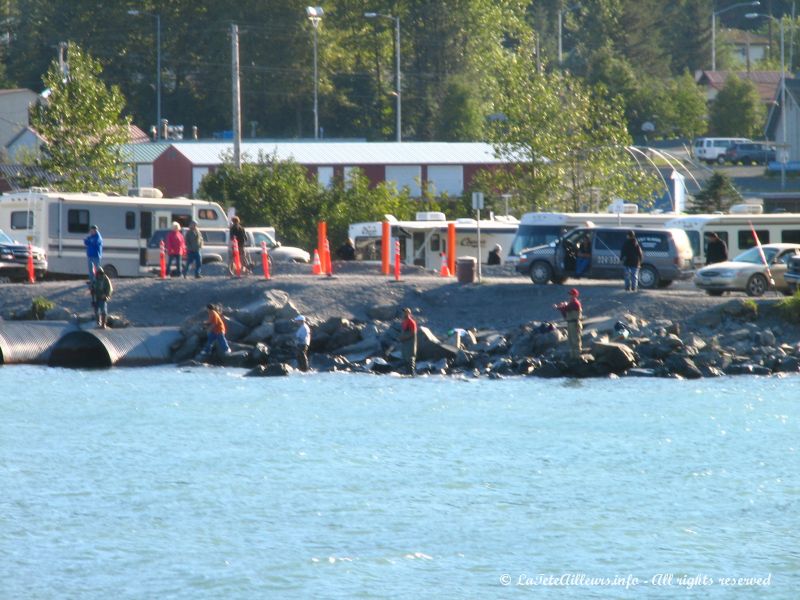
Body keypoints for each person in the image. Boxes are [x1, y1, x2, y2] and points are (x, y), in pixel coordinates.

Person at [554, 288, 583, 359]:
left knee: (575, 340)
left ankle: (577, 357)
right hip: (570, 323)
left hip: (574, 323)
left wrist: (559, 307)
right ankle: (573, 357)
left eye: (572, 294)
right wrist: (562, 307)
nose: (570, 296)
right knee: (570, 340)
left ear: (575, 295)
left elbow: (566, 309)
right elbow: (565, 314)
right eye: (570, 294)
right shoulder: (571, 303)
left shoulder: (575, 303)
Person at [398, 307, 418, 375]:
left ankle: (412, 374)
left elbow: (413, 333)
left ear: (409, 313)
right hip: (405, 344)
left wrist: (403, 337)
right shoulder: (404, 322)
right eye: (404, 312)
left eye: (406, 312)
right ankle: (407, 375)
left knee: (411, 360)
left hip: (410, 344)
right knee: (405, 360)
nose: (404, 313)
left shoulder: (412, 322)